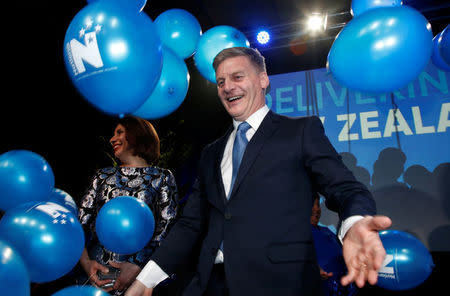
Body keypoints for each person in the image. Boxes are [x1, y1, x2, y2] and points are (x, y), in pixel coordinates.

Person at [125, 47, 392, 296]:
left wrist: (355, 223)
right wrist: (146, 279)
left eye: (237, 76)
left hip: (281, 284)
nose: (228, 87)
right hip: (210, 285)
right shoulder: (210, 153)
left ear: (263, 79)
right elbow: (190, 223)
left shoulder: (300, 132)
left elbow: (345, 188)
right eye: (220, 82)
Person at [77, 115, 179, 295]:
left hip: (141, 283)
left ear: (137, 134)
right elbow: (78, 225)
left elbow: (168, 229)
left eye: (119, 132)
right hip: (96, 279)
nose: (112, 139)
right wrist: (86, 263)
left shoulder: (162, 177)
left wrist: (138, 267)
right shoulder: (101, 176)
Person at [311, 193, 358, 296]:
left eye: (318, 205)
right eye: (311, 205)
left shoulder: (327, 231)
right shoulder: (295, 235)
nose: (316, 209)